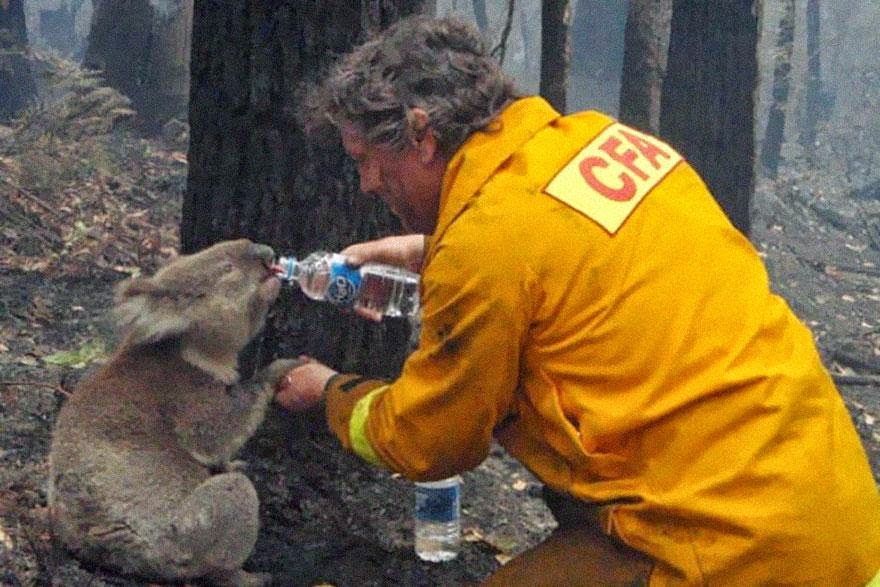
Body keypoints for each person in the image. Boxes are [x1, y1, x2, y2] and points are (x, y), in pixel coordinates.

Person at [275, 15, 880, 586]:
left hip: (728, 549)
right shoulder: (599, 141)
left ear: (420, 136)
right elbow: (561, 258)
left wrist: (330, 392)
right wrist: (427, 250)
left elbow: (431, 440)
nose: (366, 184)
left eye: (367, 162)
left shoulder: (488, 248)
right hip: (836, 515)